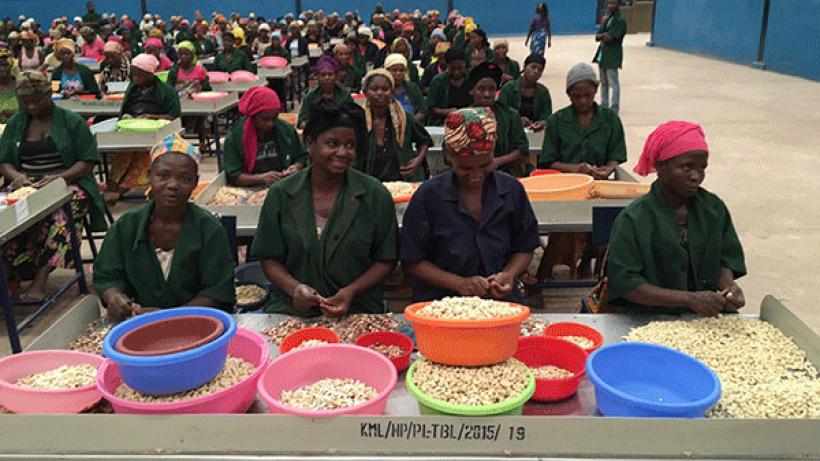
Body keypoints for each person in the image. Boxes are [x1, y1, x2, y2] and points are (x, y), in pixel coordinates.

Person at [251, 100, 398, 317]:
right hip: (293, 309)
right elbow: (269, 257)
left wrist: (351, 291)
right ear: (310, 143)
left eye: (350, 145)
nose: (342, 152)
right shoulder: (282, 194)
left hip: (357, 308)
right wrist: (294, 289)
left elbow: (386, 259)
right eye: (332, 143)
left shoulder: (375, 195)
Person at [606, 121, 746, 316]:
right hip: (646, 317)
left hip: (703, 317)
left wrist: (729, 288)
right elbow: (625, 283)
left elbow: (725, 259)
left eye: (702, 168)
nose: (696, 176)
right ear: (660, 166)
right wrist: (688, 299)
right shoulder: (634, 219)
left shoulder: (713, 209)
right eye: (687, 167)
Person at [401, 107, 539, 303]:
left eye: (485, 165)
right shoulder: (428, 196)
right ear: (450, 157)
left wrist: (508, 275)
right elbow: (412, 261)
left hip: (499, 300)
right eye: (465, 167)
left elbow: (525, 246)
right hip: (441, 302)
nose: (475, 175)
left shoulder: (511, 190)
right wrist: (459, 284)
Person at [94, 134, 236, 320]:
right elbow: (107, 276)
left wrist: (170, 317)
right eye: (163, 176)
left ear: (195, 182)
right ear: (149, 176)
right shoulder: (126, 226)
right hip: (137, 322)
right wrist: (114, 297)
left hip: (195, 323)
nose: (173, 185)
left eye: (184, 179)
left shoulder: (209, 229)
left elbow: (217, 292)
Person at [0, 71, 107, 303]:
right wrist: (17, 176)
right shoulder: (16, 124)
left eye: (36, 101)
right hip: (29, 185)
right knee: (10, 220)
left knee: (62, 216)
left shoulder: (71, 122)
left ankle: (41, 278)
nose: (31, 106)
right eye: (26, 102)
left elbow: (87, 161)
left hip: (69, 183)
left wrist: (60, 177)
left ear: (49, 94)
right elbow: (4, 161)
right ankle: (8, 274)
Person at [106, 54, 181, 201]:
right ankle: (113, 184)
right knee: (123, 153)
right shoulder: (132, 89)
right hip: (131, 129)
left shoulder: (167, 91)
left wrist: (151, 117)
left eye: (139, 75)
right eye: (133, 74)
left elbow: (174, 117)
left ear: (149, 74)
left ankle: (122, 188)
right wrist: (126, 117)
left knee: (144, 154)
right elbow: (124, 110)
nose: (135, 78)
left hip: (157, 132)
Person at [539, 62, 625, 177]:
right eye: (577, 96)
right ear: (569, 95)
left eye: (588, 95)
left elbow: (616, 155)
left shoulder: (610, 119)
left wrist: (608, 169)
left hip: (599, 182)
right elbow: (547, 161)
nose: (583, 101)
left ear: (595, 90)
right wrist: (574, 168)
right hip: (565, 182)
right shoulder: (556, 121)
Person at [223, 87, 307, 187]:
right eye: (264, 119)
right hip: (249, 189)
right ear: (253, 116)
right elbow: (233, 175)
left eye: (274, 118)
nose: (269, 124)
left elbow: (301, 156)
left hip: (283, 185)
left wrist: (296, 167)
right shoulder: (235, 136)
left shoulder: (285, 130)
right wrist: (261, 178)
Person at [357, 69, 431, 182]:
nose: (380, 93)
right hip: (368, 181)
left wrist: (417, 161)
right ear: (365, 92)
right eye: (374, 89)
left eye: (385, 89)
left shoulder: (404, 118)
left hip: (402, 180)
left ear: (392, 92)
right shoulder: (359, 119)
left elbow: (425, 141)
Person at [468, 62, 530, 176]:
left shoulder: (511, 115)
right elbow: (448, 154)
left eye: (492, 89)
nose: (487, 94)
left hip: (505, 173)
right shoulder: (462, 116)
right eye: (481, 89)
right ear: (472, 91)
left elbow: (522, 150)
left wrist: (497, 162)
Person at [497, 53, 552, 132]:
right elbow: (500, 114)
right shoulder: (508, 88)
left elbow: (547, 116)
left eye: (540, 70)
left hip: (534, 134)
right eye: (533, 67)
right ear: (525, 66)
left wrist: (542, 123)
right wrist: (516, 120)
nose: (536, 71)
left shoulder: (543, 92)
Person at [297, 56, 354, 129]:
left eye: (330, 74)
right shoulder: (310, 97)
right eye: (323, 75)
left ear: (336, 76)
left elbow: (352, 118)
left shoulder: (345, 95)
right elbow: (301, 122)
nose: (327, 78)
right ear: (318, 77)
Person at [594, 0, 627, 114]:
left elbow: (611, 38)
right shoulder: (608, 19)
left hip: (612, 55)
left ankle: (614, 107)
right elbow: (597, 36)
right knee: (603, 82)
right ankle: (604, 105)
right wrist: (604, 34)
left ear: (618, 4)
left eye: (613, 3)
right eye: (609, 3)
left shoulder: (620, 20)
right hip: (602, 55)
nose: (610, 6)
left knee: (613, 82)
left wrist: (604, 35)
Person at [425, 47, 471, 125]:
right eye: (452, 69)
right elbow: (431, 108)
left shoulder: (471, 78)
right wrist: (447, 112)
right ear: (447, 65)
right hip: (442, 122)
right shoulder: (438, 81)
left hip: (469, 120)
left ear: (465, 64)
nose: (456, 72)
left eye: (460, 68)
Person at [384, 54, 426, 122]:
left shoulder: (412, 87)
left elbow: (422, 110)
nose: (398, 73)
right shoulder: (382, 89)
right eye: (394, 70)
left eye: (401, 70)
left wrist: (411, 122)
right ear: (387, 71)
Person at [0, 49, 18, 123]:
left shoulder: (20, 85)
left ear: (11, 65)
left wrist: (15, 113)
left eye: (5, 65)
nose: (1, 69)